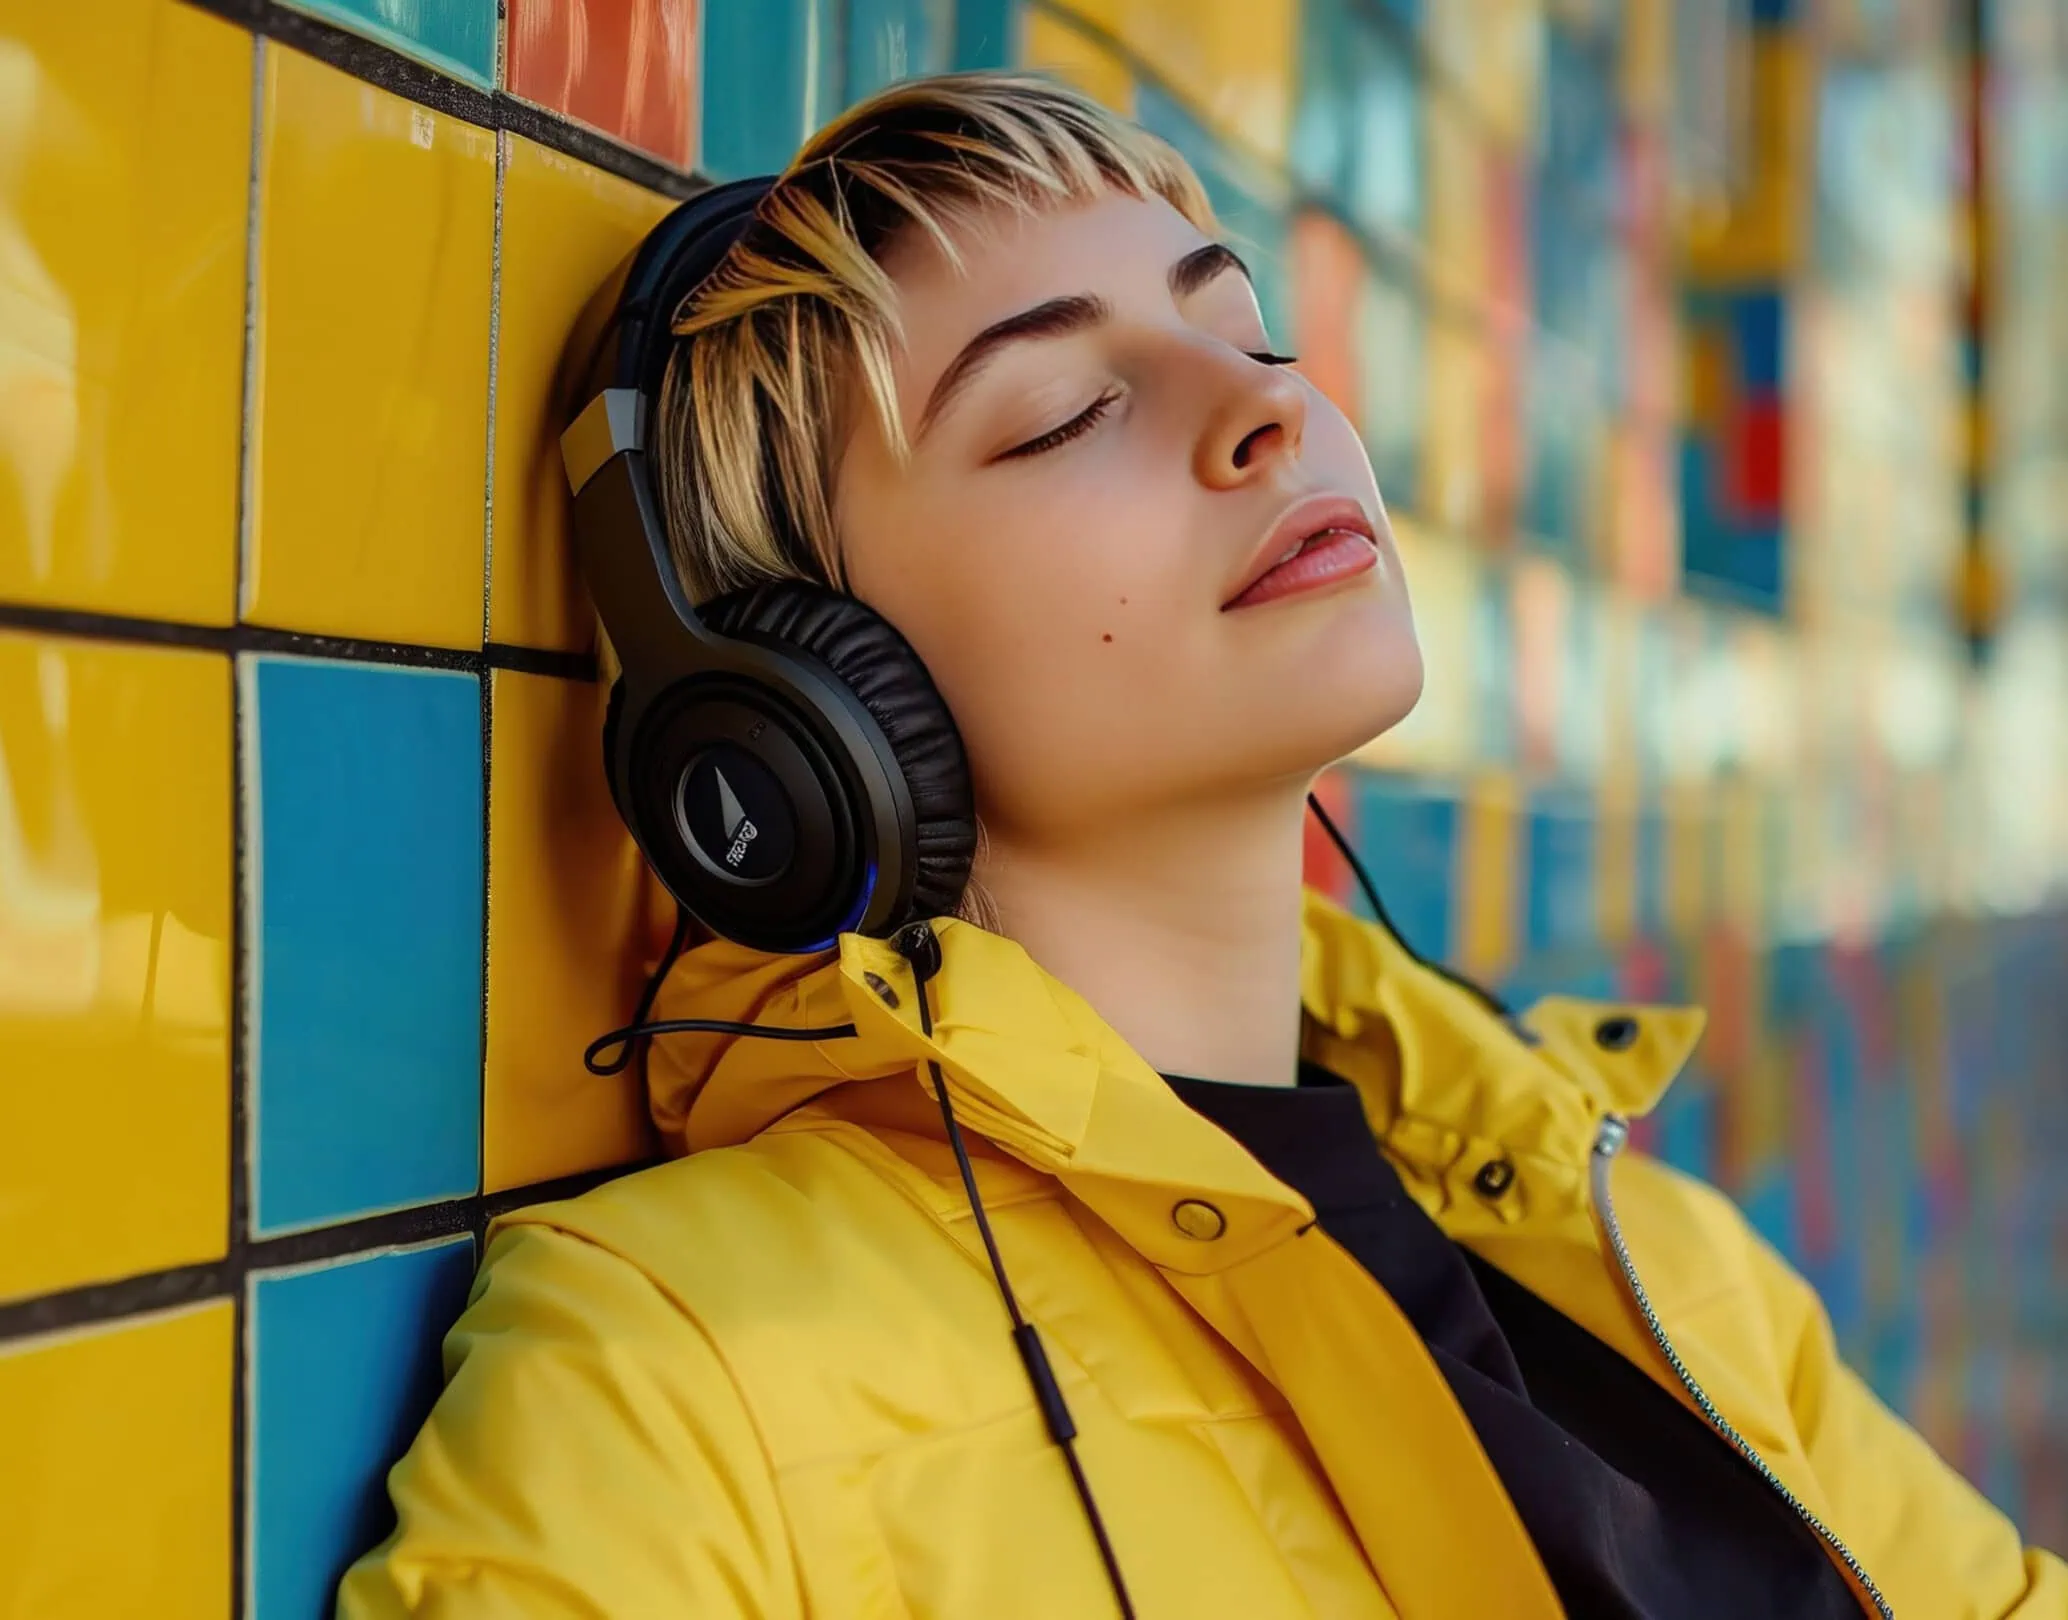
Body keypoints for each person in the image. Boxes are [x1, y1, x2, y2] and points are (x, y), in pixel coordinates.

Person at [337, 72, 2066, 1619]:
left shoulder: (1629, 1241)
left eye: (1247, 335)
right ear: (809, 718)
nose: (1269, 417)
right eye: (1062, 415)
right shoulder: (672, 1377)